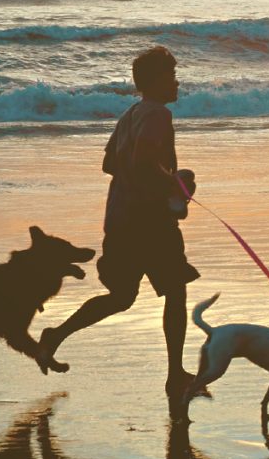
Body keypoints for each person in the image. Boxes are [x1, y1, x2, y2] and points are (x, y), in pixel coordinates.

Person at [37, 46, 200, 406]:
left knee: (122, 298)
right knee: (175, 291)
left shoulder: (131, 113)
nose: (176, 82)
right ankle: (176, 375)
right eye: (171, 75)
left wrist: (150, 178)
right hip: (150, 222)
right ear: (156, 81)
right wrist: (172, 184)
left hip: (121, 220)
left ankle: (55, 335)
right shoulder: (158, 116)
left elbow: (110, 164)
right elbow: (143, 161)